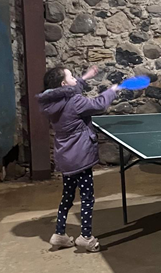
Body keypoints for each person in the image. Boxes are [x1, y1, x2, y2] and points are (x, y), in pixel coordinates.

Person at [37, 66, 120, 251]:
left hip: (66, 157)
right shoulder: (75, 101)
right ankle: (86, 237)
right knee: (87, 198)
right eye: (71, 77)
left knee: (67, 196)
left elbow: (71, 90)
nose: (75, 79)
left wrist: (85, 77)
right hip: (81, 157)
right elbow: (98, 104)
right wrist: (111, 91)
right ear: (63, 84)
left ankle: (59, 234)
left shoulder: (53, 101)